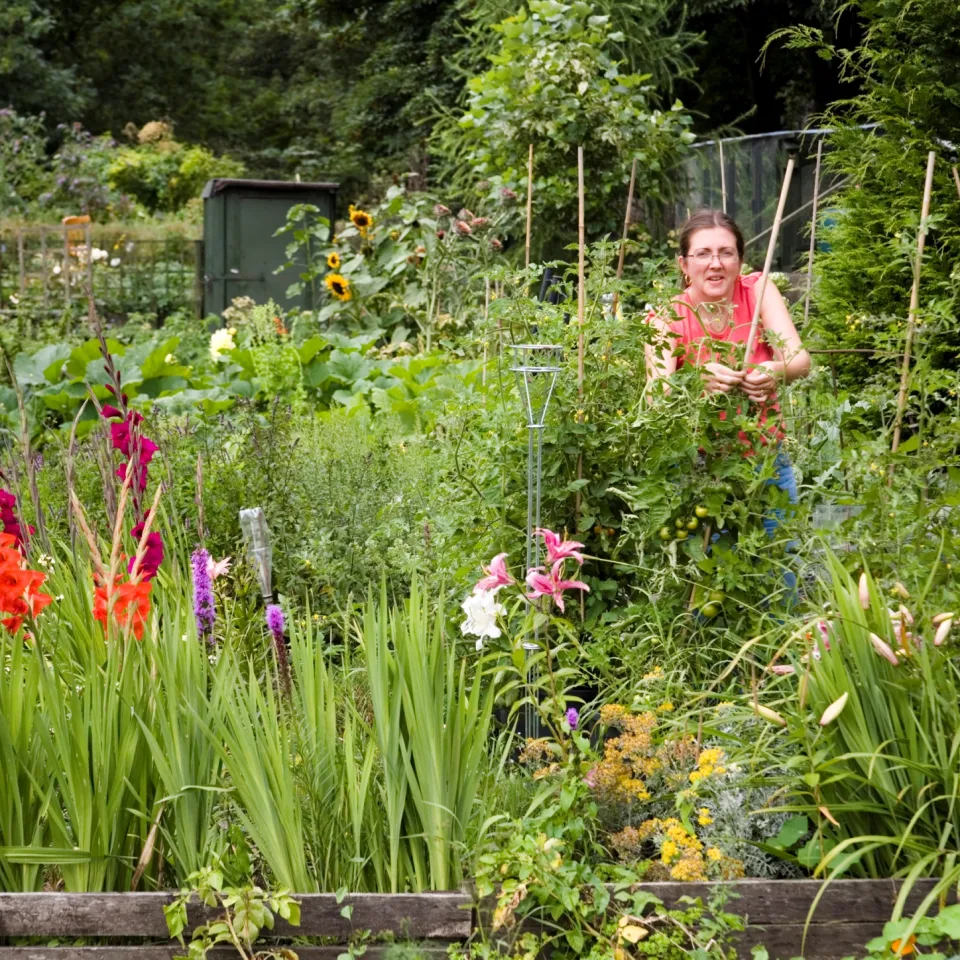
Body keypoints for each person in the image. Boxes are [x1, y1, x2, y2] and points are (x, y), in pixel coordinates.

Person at [645, 207, 811, 541]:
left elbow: (799, 361)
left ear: (739, 260)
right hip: (699, 469)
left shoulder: (759, 292)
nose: (715, 263)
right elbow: (655, 398)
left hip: (765, 458)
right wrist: (694, 381)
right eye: (703, 253)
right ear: (684, 265)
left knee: (781, 567)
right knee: (711, 577)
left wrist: (774, 370)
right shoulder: (666, 317)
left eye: (726, 253)